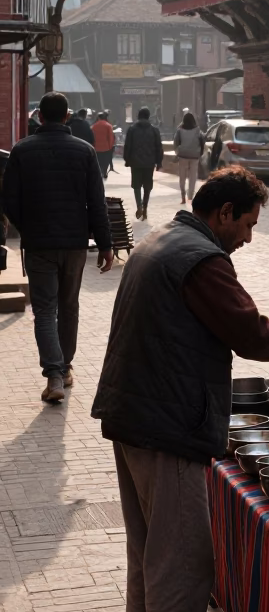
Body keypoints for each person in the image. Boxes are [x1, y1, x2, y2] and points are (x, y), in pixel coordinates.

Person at [92, 167, 269, 612]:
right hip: (166, 422)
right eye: (246, 224)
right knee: (182, 559)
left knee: (150, 550)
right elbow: (248, 332)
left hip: (135, 412)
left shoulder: (163, 240)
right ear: (223, 213)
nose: (247, 236)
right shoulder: (201, 258)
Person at [1, 91, 114, 403]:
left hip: (39, 245)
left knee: (45, 310)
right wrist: (105, 245)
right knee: (69, 307)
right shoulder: (85, 151)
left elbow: (8, 198)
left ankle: (54, 375)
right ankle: (63, 369)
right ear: (67, 117)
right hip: (75, 244)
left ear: (39, 116)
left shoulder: (22, 150)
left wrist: (28, 227)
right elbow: (97, 203)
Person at [124, 106, 163, 221]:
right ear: (148, 116)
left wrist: (127, 160)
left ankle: (139, 206)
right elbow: (159, 147)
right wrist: (159, 162)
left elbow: (127, 146)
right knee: (147, 186)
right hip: (149, 163)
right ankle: (145, 207)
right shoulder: (154, 130)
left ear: (138, 116)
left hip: (135, 163)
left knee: (136, 186)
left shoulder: (132, 129)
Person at [173, 111, 205, 206]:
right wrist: (200, 153)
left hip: (183, 155)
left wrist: (177, 151)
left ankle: (183, 196)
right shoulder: (198, 130)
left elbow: (176, 142)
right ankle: (190, 196)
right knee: (193, 176)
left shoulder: (179, 130)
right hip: (195, 156)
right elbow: (202, 141)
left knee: (182, 177)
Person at [92, 112, 116, 179]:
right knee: (105, 161)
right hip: (106, 147)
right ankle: (104, 172)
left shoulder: (94, 126)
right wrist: (110, 146)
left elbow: (92, 137)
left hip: (96, 147)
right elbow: (110, 137)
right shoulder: (108, 126)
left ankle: (99, 172)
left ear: (98, 118)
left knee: (98, 161)